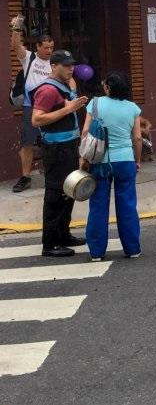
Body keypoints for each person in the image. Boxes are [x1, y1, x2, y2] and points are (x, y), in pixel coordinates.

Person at [30, 50, 89, 257]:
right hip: (56, 150)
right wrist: (69, 108)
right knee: (55, 194)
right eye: (65, 65)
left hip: (69, 146)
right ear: (53, 66)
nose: (70, 68)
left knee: (69, 191)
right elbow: (36, 120)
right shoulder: (47, 90)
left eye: (72, 65)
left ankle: (64, 234)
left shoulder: (64, 85)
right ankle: (50, 243)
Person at [80, 71, 142, 260]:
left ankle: (96, 251)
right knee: (128, 205)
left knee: (98, 205)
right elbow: (137, 137)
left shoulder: (96, 103)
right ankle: (132, 249)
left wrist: (83, 158)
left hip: (100, 160)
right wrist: (137, 160)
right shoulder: (133, 108)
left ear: (108, 88)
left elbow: (85, 132)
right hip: (125, 160)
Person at [10, 15, 54, 193]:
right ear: (37, 47)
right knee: (27, 142)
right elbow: (15, 46)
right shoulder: (29, 58)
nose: (49, 51)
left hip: (52, 108)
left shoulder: (56, 61)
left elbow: (69, 78)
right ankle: (25, 177)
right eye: (46, 48)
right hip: (31, 107)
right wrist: (16, 28)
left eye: (52, 47)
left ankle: (52, 174)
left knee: (52, 141)